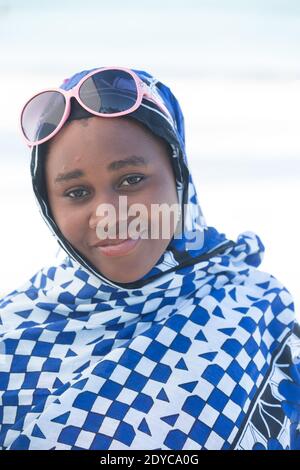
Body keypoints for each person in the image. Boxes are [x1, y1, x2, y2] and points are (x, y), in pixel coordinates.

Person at [0, 66, 299, 450]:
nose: (108, 214)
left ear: (178, 175)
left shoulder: (256, 308)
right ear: (49, 206)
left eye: (131, 180)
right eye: (76, 193)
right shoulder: (12, 340)